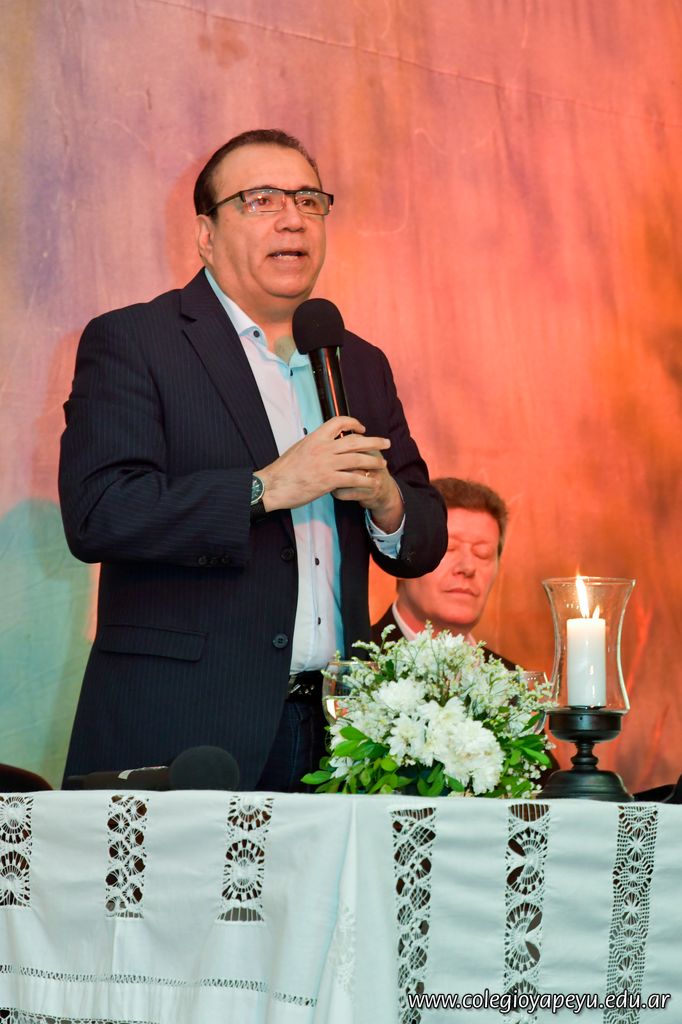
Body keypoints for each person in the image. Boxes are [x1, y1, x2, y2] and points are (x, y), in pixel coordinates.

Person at [59, 129, 447, 791]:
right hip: (184, 726)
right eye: (261, 200)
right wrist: (266, 487)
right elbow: (99, 513)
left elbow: (424, 538)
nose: (292, 219)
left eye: (308, 200)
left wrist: (386, 500)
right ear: (206, 235)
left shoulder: (359, 362)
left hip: (339, 733)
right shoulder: (136, 341)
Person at [372, 477, 515, 668]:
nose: (468, 567)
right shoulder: (352, 667)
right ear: (400, 559)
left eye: (483, 553)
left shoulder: (515, 680)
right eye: (448, 548)